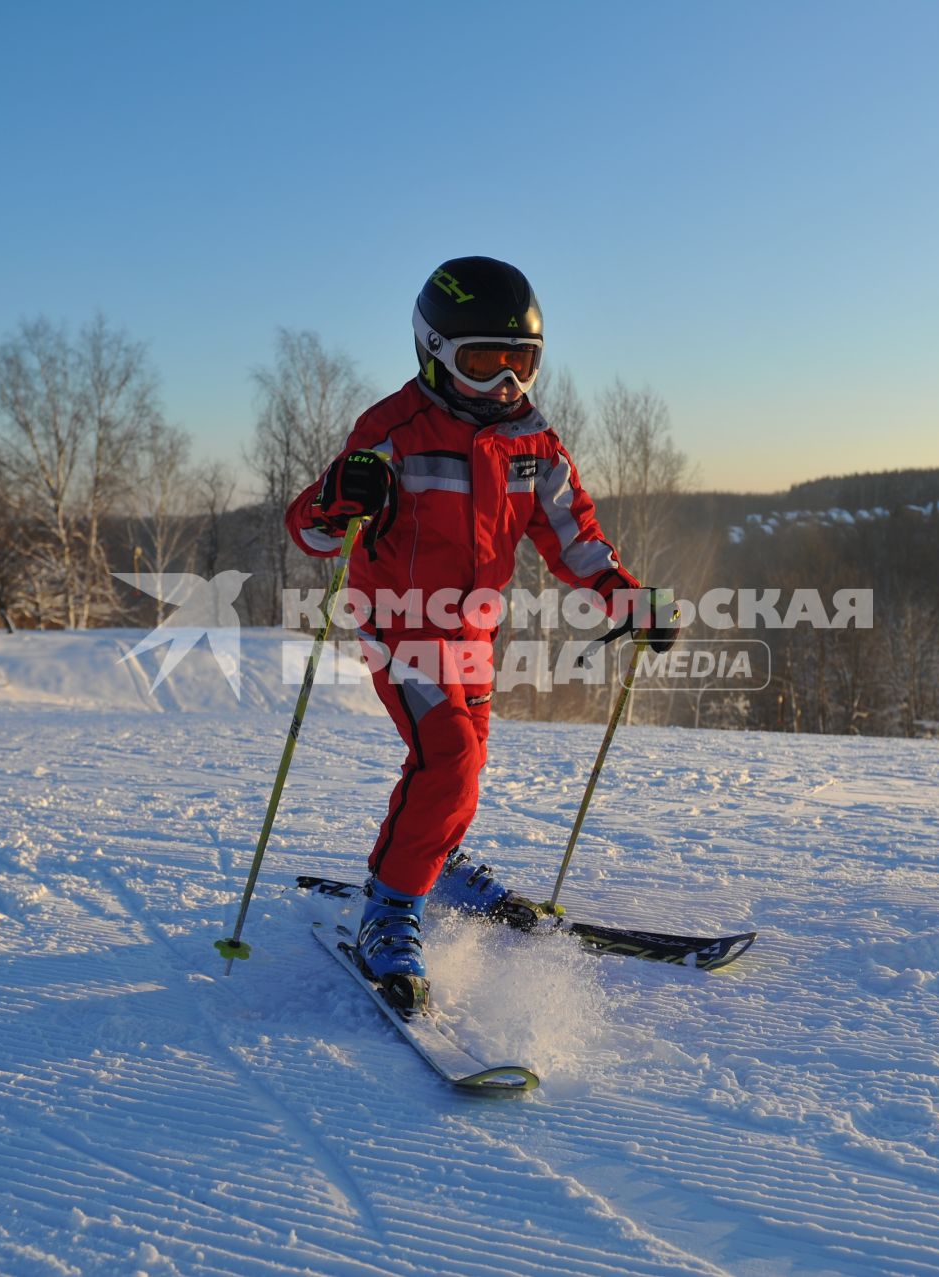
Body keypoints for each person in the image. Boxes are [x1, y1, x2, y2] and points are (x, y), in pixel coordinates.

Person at [285, 256, 674, 1013]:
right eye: (484, 363)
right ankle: (391, 909)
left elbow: (576, 536)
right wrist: (340, 496)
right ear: (433, 352)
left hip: (472, 630)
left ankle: (440, 856)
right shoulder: (393, 429)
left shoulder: (533, 442)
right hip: (400, 623)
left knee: (465, 763)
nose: (507, 385)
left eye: (521, 363)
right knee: (450, 760)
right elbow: (316, 531)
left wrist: (626, 599)